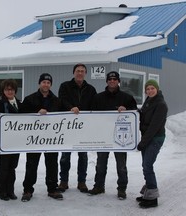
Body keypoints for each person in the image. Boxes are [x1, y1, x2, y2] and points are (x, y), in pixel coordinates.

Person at [88, 71, 137, 200]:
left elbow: (135, 114)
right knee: (100, 163)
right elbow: (91, 116)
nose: (112, 81)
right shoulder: (98, 98)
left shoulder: (127, 98)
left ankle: (121, 189)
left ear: (118, 81)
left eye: (115, 79)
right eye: (110, 79)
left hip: (120, 137)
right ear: (106, 81)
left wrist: (127, 110)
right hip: (103, 136)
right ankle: (99, 186)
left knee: (121, 165)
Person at [21, 73, 63, 202]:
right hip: (34, 139)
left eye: (48, 83)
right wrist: (36, 114)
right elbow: (22, 116)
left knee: (52, 164)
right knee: (31, 164)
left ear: (51, 85)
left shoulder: (57, 100)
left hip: (52, 139)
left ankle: (52, 189)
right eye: (44, 82)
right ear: (39, 83)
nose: (46, 84)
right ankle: (28, 189)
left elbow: (63, 117)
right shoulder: (29, 99)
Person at [58, 63, 97, 193]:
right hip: (68, 127)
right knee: (65, 155)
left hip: (84, 128)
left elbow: (94, 105)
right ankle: (63, 181)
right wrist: (71, 107)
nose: (80, 73)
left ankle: (82, 182)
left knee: (83, 155)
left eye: (82, 71)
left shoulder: (91, 89)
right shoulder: (65, 86)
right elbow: (62, 100)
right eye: (77, 71)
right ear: (73, 72)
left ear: (85, 73)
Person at [136, 80, 168, 208]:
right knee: (145, 165)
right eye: (147, 89)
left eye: (152, 88)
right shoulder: (149, 101)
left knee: (147, 165)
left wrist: (142, 143)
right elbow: (144, 115)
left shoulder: (161, 104)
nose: (149, 91)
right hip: (148, 138)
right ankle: (148, 192)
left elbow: (154, 127)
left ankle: (152, 198)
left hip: (155, 139)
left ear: (157, 89)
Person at [0, 79, 21, 201]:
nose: (9, 91)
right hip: (4, 142)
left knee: (13, 167)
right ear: (3, 91)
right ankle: (2, 191)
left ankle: (10, 190)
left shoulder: (20, 104)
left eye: (12, 89)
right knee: (4, 167)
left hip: (17, 142)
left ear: (15, 91)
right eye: (7, 89)